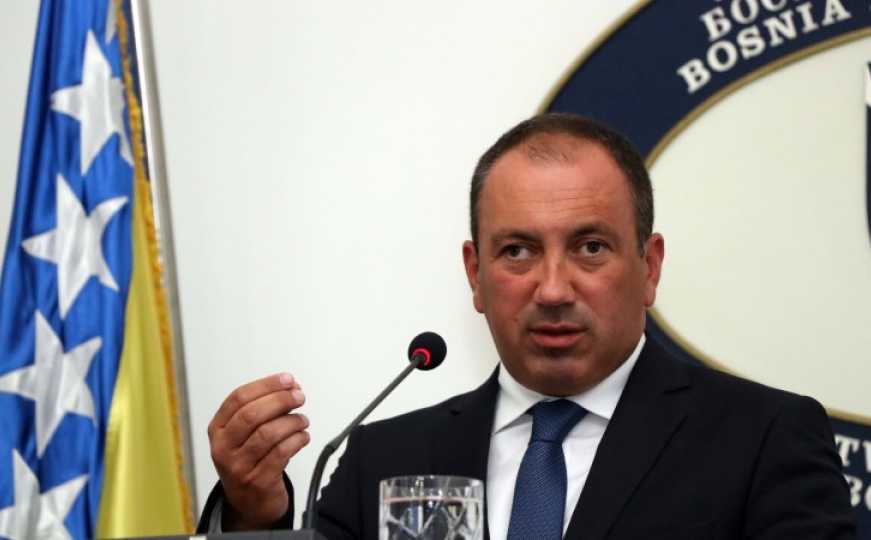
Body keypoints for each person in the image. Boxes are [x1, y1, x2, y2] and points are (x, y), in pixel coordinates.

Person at [197, 113, 856, 538]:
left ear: (649, 266)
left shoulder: (761, 440)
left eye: (590, 247)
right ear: (474, 274)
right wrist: (256, 513)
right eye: (517, 251)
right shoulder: (384, 459)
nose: (553, 289)